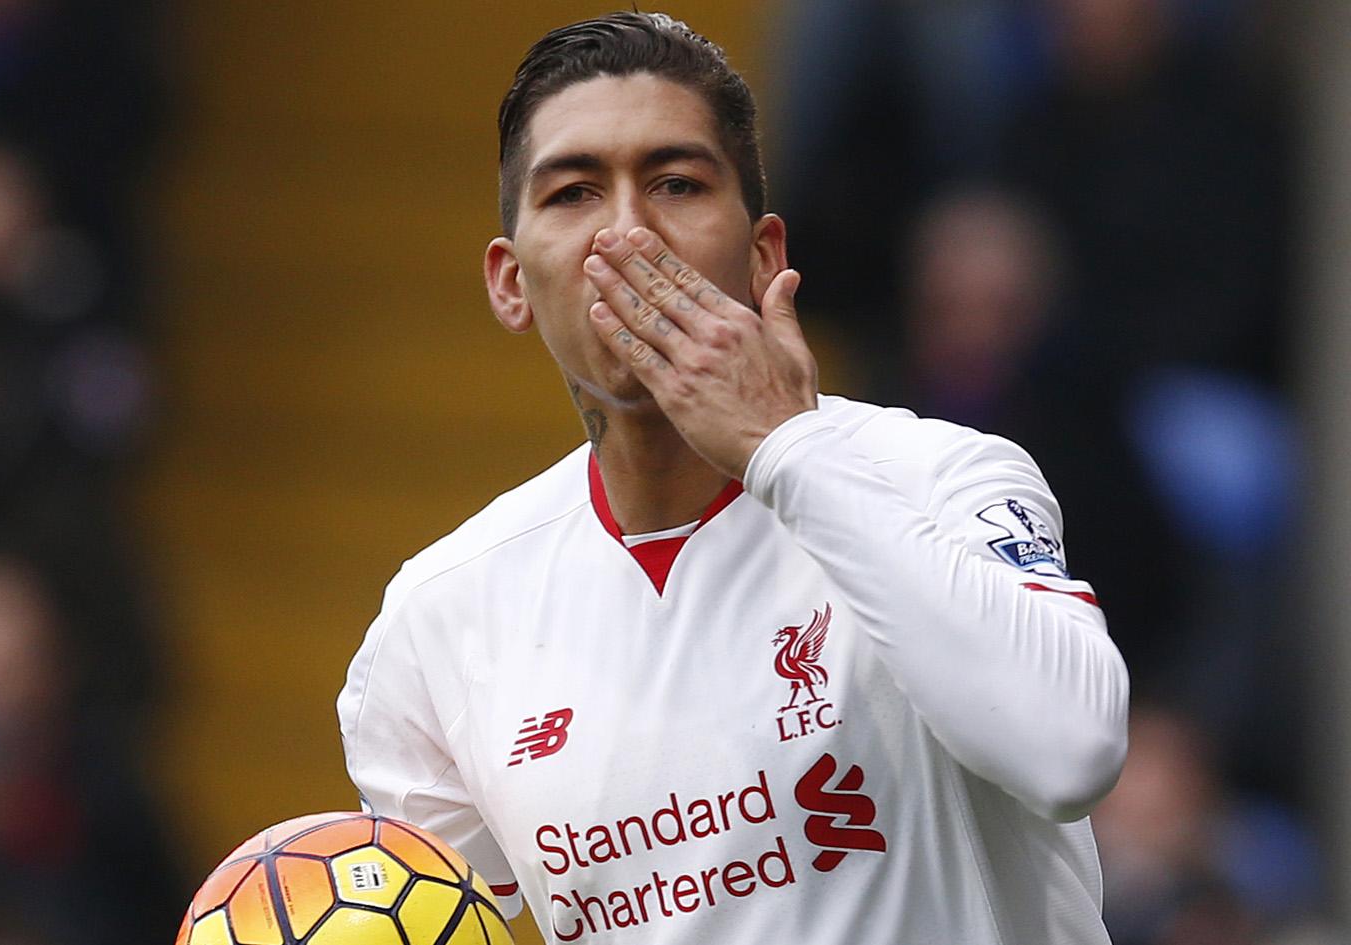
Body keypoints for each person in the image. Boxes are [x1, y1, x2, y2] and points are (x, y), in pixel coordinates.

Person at [337, 13, 1129, 945]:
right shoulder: (440, 618)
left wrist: (785, 449)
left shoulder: (944, 476)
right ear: (511, 283)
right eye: (573, 194)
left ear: (763, 256)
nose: (628, 233)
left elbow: (1071, 749)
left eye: (675, 183)